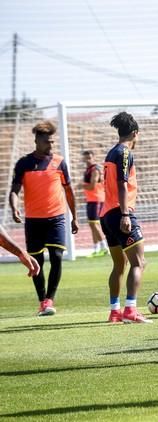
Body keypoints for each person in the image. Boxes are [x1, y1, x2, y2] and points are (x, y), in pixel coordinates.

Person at [9, 120, 79, 316]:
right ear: (37, 141)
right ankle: (42, 301)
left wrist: (75, 217)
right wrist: (14, 208)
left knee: (57, 257)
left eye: (52, 142)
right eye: (47, 142)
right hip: (33, 220)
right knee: (36, 261)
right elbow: (14, 190)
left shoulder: (59, 162)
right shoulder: (24, 163)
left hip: (56, 217)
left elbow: (69, 191)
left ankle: (50, 299)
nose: (51, 145)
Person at [100, 112, 149, 324]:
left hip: (106, 215)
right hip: (119, 213)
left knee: (119, 265)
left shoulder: (111, 153)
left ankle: (114, 311)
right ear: (135, 133)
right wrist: (125, 214)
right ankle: (130, 309)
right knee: (139, 262)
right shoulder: (125, 153)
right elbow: (122, 184)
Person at [81, 150, 108, 257]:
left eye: (89, 157)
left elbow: (92, 186)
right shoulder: (88, 170)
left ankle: (104, 247)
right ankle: (96, 249)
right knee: (92, 225)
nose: (87, 160)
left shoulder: (95, 169)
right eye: (86, 158)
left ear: (93, 158)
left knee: (95, 224)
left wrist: (81, 185)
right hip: (91, 200)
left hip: (97, 200)